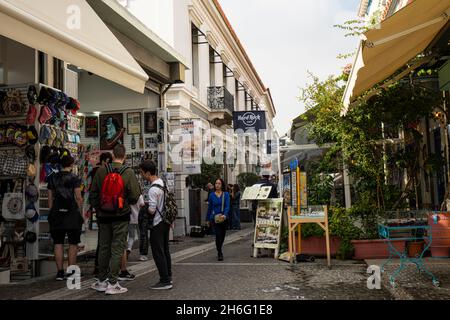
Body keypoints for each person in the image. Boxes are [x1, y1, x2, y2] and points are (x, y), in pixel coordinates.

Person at [89, 144, 141, 295]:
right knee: (118, 247)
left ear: (112, 155)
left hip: (103, 216)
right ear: (124, 156)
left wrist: (100, 209)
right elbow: (135, 195)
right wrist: (123, 204)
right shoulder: (128, 172)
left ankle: (101, 281)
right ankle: (113, 282)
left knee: (104, 247)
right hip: (121, 216)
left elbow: (93, 194)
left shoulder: (101, 170)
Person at [47, 149, 84, 281]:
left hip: (57, 213)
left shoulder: (52, 178)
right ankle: (72, 272)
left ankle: (59, 272)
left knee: (58, 243)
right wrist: (81, 213)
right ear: (71, 165)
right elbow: (78, 198)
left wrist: (52, 212)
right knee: (73, 243)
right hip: (72, 213)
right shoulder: (75, 178)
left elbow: (50, 198)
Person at [139, 160, 173, 290]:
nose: (141, 175)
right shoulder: (163, 183)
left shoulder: (153, 189)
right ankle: (168, 276)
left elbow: (152, 210)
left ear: (148, 172)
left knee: (158, 252)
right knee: (165, 251)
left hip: (157, 223)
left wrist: (145, 206)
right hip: (165, 222)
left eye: (142, 173)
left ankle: (164, 280)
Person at [91, 152, 113, 279]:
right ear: (106, 161)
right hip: (113, 211)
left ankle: (99, 268)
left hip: (101, 212)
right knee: (110, 242)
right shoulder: (105, 171)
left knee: (102, 241)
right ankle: (107, 269)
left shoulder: (95, 172)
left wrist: (98, 209)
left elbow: (93, 193)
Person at [118, 194, 145, 281]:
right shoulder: (139, 196)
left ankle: (129, 249)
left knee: (131, 236)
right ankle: (142, 255)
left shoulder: (128, 196)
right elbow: (142, 206)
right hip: (139, 218)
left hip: (130, 218)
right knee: (141, 235)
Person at [206, 179, 230, 261]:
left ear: (222, 185)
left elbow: (227, 206)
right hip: (215, 218)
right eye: (216, 183)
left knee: (222, 236)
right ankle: (220, 252)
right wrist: (208, 219)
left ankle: (219, 248)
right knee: (218, 235)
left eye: (219, 183)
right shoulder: (211, 195)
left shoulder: (226, 194)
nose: (217, 185)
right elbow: (209, 208)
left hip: (223, 218)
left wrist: (225, 215)